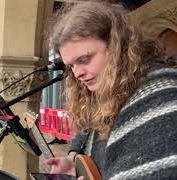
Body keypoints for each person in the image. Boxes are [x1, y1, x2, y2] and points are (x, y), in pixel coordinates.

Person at [44, 2, 177, 180]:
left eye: (84, 59)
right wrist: (72, 161)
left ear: (117, 47)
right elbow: (87, 135)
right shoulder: (107, 93)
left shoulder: (161, 99)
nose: (77, 73)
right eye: (71, 66)